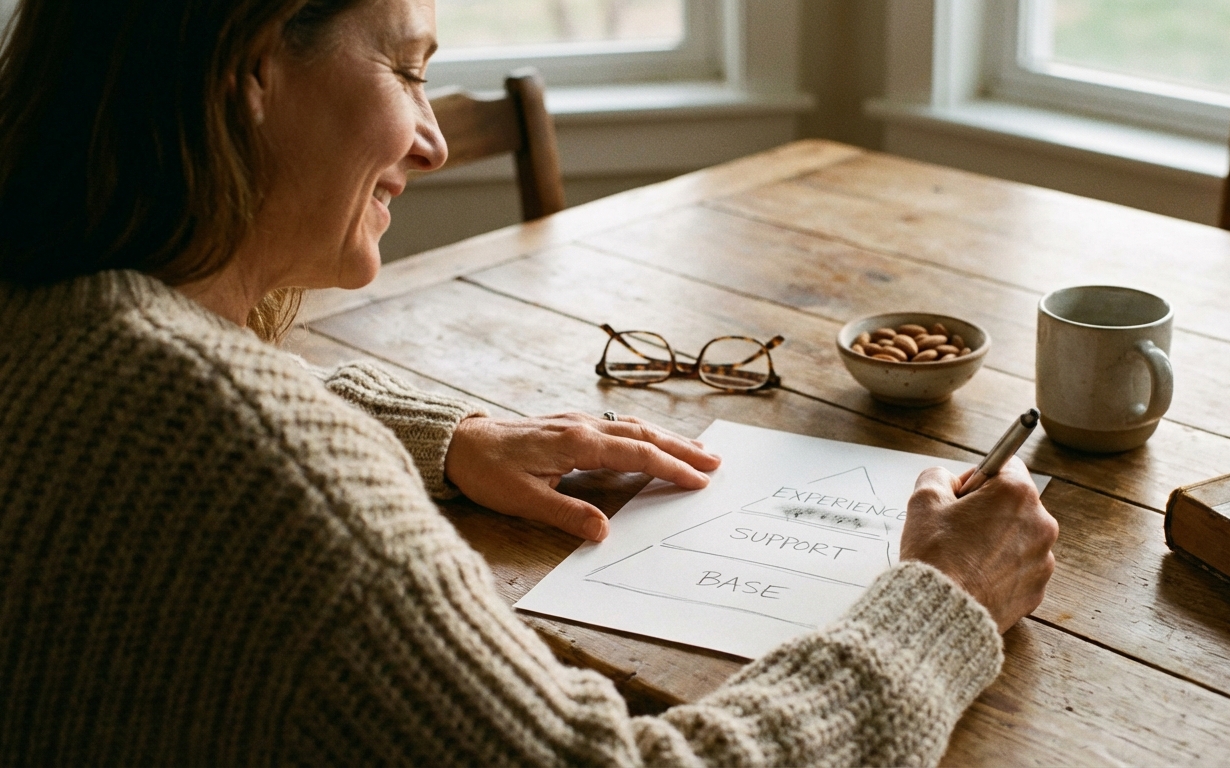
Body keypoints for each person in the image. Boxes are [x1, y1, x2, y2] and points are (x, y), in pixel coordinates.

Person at [0, 0, 1059, 764]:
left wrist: (448, 434)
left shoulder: (54, 311)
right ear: (251, 63)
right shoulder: (273, 475)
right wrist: (941, 604)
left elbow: (173, 406)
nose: (429, 138)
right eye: (407, 69)